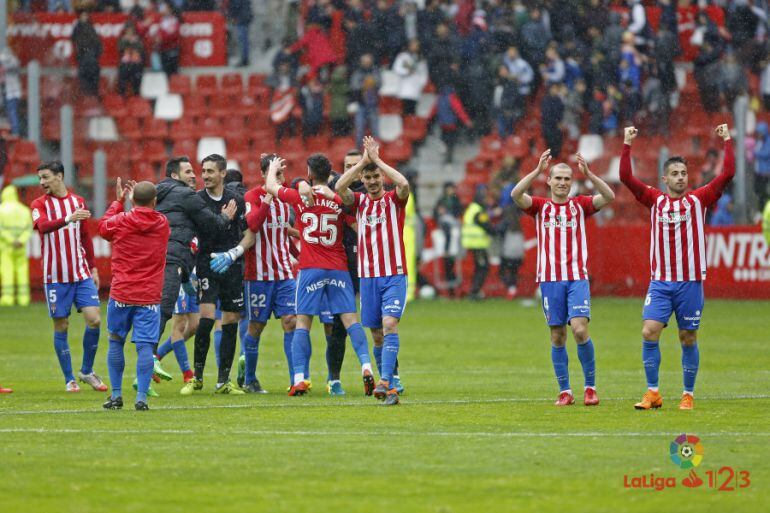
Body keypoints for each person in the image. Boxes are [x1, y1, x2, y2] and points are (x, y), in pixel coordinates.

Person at [620, 125, 735, 411]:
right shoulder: (654, 200)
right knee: (649, 331)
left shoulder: (700, 199)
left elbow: (728, 173)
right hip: (660, 282)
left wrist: (727, 141)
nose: (680, 178)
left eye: (684, 173)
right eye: (675, 174)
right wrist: (627, 144)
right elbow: (625, 177)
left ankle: (687, 394)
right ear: (665, 178)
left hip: (690, 282)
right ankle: (653, 392)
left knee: (688, 337)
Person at [264, 154, 374, 397]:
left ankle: (301, 378)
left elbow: (271, 187)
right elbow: (357, 225)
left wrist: (273, 168)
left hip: (310, 267)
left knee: (303, 322)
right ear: (331, 173)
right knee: (350, 320)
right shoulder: (338, 199)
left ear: (310, 173)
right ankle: (366, 367)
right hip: (338, 267)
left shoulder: (302, 196)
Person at [511, 149, 615, 406]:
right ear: (549, 181)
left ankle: (590, 388)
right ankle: (565, 391)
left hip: (576, 278)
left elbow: (609, 196)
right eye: (557, 178)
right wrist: (536, 170)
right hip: (549, 279)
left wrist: (589, 174)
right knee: (558, 335)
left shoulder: (580, 206)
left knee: (579, 330)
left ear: (572, 182)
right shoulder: (540, 207)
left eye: (567, 179)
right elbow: (515, 195)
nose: (562, 183)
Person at [336, 136, 409, 406]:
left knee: (390, 325)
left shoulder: (394, 200)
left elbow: (404, 184)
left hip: (393, 274)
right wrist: (363, 163)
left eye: (376, 176)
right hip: (367, 277)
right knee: (377, 334)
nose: (373, 181)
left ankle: (386, 381)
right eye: (368, 178)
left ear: (382, 177)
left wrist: (377, 160)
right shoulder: (358, 202)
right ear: (363, 181)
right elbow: (339, 185)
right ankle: (389, 387)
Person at [155, 156, 236, 380]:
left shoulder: (158, 194)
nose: (195, 176)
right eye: (189, 171)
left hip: (165, 263)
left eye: (195, 171)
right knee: (170, 315)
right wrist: (224, 218)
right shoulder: (187, 195)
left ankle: (152, 357)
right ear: (174, 176)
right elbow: (212, 224)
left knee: (187, 321)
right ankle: (159, 363)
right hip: (175, 262)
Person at [31, 161, 106, 392]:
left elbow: (85, 237)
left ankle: (86, 371)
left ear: (60, 176)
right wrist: (67, 219)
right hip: (55, 276)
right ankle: (69, 379)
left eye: (46, 177)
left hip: (81, 274)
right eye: (40, 179)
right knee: (61, 325)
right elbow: (42, 227)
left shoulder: (78, 202)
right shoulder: (39, 204)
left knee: (94, 319)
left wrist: (93, 268)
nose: (42, 182)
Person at [180, 154, 248, 395]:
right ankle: (197, 377)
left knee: (230, 321)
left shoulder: (237, 200)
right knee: (206, 319)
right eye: (203, 171)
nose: (205, 176)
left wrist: (233, 253)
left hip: (232, 266)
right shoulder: (196, 200)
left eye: (210, 171)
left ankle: (223, 381)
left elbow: (250, 234)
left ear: (222, 173)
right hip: (207, 265)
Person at [99, 179, 170, 411]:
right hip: (149, 296)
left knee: (116, 341)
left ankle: (117, 395)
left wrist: (118, 202)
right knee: (145, 348)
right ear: (155, 201)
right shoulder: (162, 223)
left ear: (132, 199)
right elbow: (148, 212)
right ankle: (141, 398)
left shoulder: (120, 221)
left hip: (121, 292)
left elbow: (103, 228)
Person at [238, 154, 299, 393]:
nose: (280, 179)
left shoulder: (286, 200)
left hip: (284, 273)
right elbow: (253, 224)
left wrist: (298, 252)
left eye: (281, 174)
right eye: (275, 174)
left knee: (291, 322)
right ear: (264, 175)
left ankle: (297, 379)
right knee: (256, 326)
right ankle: (250, 379)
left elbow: (285, 232)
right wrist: (267, 198)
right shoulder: (251, 197)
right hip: (258, 276)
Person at [0, 185, 32, 306]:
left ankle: (8, 298)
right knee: (22, 271)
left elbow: (1, 229)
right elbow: (29, 228)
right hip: (21, 247)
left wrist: (11, 240)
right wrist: (21, 240)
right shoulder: (24, 210)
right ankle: (24, 299)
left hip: (6, 247)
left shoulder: (1, 210)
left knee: (7, 271)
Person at [461, 186, 492, 300]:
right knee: (483, 267)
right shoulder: (478, 211)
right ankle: (474, 292)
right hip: (477, 244)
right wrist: (496, 231)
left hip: (473, 243)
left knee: (480, 268)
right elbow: (486, 225)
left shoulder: (472, 208)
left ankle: (475, 291)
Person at [433, 182, 462, 296]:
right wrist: (440, 213)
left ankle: (453, 290)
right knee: (448, 266)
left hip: (452, 224)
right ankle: (452, 291)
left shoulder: (455, 200)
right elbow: (435, 213)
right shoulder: (441, 200)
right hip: (446, 223)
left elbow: (459, 211)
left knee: (452, 265)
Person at [71, 10, 102, 97]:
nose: (85, 17)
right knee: (85, 75)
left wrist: (96, 52)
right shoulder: (77, 27)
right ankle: (87, 93)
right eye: (83, 15)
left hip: (91, 56)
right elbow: (74, 38)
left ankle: (92, 93)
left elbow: (97, 41)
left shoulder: (91, 27)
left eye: (86, 15)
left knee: (93, 73)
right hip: (83, 55)